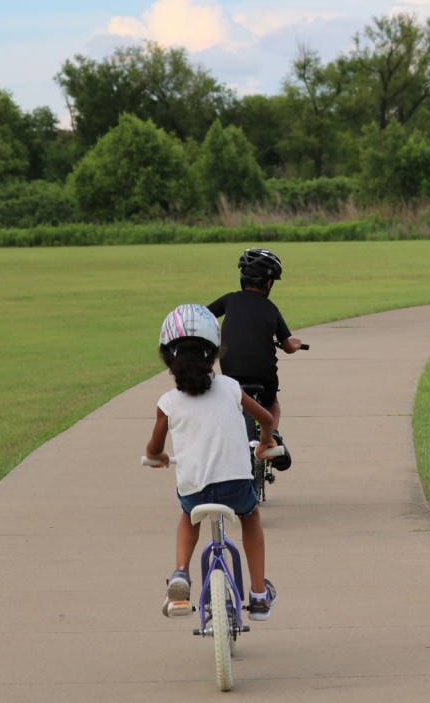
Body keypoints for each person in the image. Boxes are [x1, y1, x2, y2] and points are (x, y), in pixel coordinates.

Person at [145, 303, 278, 621]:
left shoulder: (168, 402)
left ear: (168, 357)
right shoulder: (231, 388)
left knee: (188, 515)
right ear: (214, 352)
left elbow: (153, 448)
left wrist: (158, 457)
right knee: (251, 517)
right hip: (236, 487)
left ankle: (180, 574)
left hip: (195, 489)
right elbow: (265, 418)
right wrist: (265, 442)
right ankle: (258, 594)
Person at [207, 248, 303, 470]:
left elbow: (204, 314)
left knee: (233, 401)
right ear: (269, 283)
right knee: (272, 403)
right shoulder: (271, 309)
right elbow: (287, 346)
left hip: (232, 371)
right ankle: (273, 437)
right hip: (264, 373)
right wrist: (296, 344)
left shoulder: (229, 300)